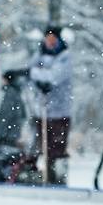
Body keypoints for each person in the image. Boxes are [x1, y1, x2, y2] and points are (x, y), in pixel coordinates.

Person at [28, 25, 72, 186]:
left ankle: (58, 178)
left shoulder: (65, 56)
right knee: (40, 145)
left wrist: (40, 75)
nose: (50, 42)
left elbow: (55, 76)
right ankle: (43, 175)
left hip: (60, 110)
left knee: (58, 147)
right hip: (42, 109)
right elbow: (30, 71)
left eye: (54, 39)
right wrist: (39, 78)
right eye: (48, 38)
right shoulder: (39, 54)